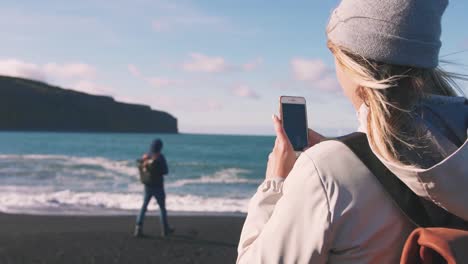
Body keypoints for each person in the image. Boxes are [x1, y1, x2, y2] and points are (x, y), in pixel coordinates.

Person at [237, 0, 467, 263]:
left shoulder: (325, 170)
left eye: (335, 54)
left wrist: (275, 182)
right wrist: (352, 154)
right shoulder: (460, 145)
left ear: (351, 63)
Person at [134, 139, 174, 237]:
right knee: (162, 208)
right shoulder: (160, 157)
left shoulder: (146, 157)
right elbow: (166, 171)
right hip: (158, 186)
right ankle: (165, 230)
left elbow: (140, 165)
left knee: (144, 206)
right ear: (160, 147)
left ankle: (138, 228)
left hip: (147, 185)